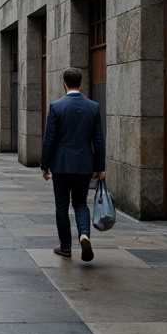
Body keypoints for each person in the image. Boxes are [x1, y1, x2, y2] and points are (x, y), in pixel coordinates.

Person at [40, 67, 105, 262]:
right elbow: (98, 140)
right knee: (80, 202)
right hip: (84, 164)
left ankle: (66, 247)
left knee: (61, 205)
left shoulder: (56, 106)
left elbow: (49, 139)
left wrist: (44, 165)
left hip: (60, 164)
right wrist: (100, 167)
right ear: (81, 83)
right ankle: (84, 234)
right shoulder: (92, 107)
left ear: (64, 84)